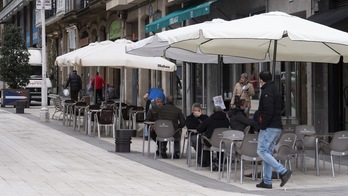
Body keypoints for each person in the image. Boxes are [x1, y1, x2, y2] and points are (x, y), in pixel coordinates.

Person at [256, 71, 292, 189]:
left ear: (261, 80)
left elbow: (268, 112)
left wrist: (262, 126)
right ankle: (267, 181)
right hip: (276, 126)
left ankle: (283, 171)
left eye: (259, 79)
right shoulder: (275, 90)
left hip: (269, 127)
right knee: (267, 152)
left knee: (261, 151)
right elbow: (281, 106)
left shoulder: (267, 92)